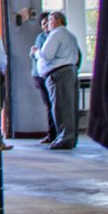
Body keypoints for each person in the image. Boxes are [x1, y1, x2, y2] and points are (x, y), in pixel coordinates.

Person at [36, 11, 81, 150]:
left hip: (59, 74)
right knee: (69, 107)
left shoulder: (56, 34)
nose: (48, 24)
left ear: (57, 21)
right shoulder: (70, 35)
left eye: (50, 20)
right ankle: (70, 137)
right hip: (69, 71)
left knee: (61, 107)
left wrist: (36, 52)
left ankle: (64, 138)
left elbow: (46, 55)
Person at [29, 12, 57, 143]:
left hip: (52, 74)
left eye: (47, 22)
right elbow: (34, 54)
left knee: (55, 105)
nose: (46, 26)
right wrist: (34, 53)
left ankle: (56, 134)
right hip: (39, 76)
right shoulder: (40, 37)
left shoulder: (56, 37)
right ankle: (52, 134)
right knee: (49, 105)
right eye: (43, 24)